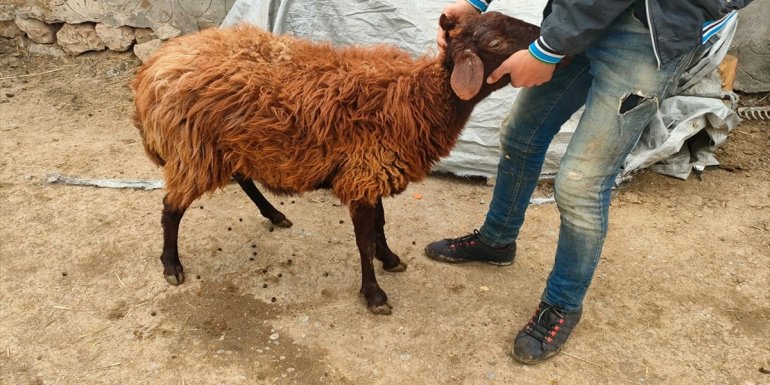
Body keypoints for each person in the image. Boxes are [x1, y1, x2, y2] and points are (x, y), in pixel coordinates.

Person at [426, 0, 751, 364]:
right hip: (579, 18)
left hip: (648, 34)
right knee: (520, 135)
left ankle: (562, 303)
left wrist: (547, 51)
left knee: (581, 184)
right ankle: (496, 240)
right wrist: (475, 3)